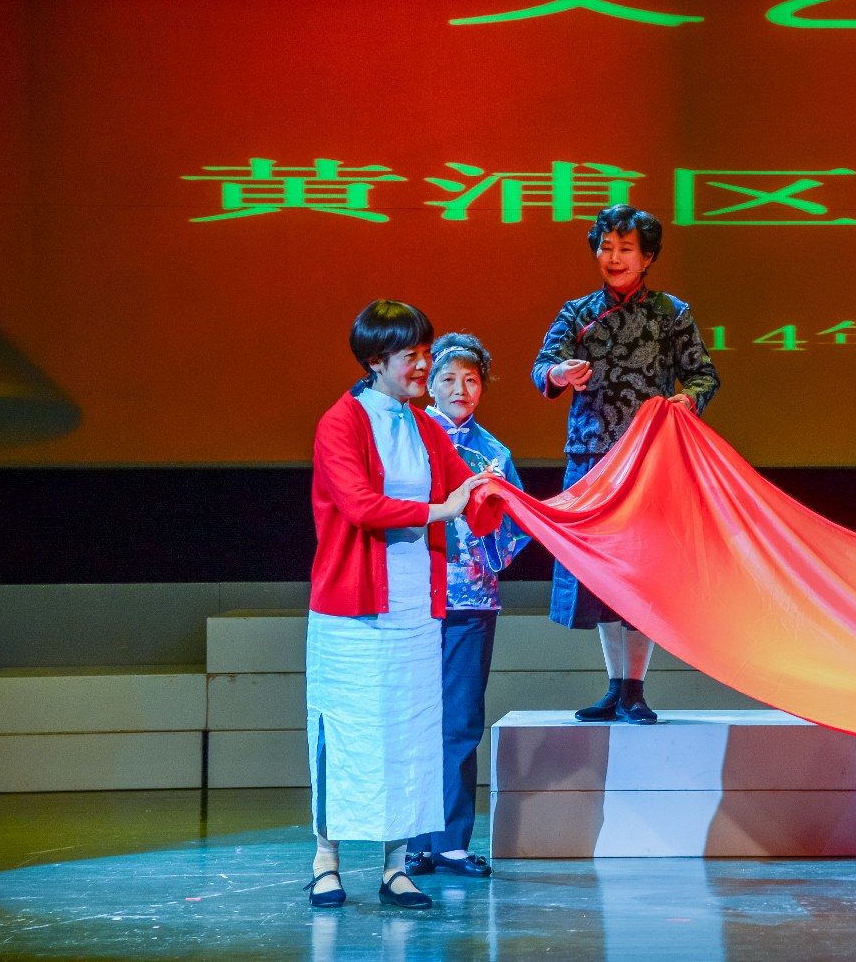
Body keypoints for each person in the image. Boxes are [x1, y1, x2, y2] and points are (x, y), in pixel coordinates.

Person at [305, 300, 488, 910]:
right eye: (412, 355)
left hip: (414, 609)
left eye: (425, 353)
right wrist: (440, 511)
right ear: (376, 360)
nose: (423, 366)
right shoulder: (342, 422)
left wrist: (514, 503)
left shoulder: (425, 426)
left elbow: (466, 489)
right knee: (346, 733)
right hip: (352, 610)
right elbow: (359, 505)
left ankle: (395, 866)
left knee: (410, 733)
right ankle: (326, 862)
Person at [533, 204, 720, 724]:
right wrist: (560, 374)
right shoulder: (577, 311)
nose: (614, 258)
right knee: (600, 575)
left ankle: (635, 687)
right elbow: (542, 366)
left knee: (643, 572)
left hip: (649, 460)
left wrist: (688, 399)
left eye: (626, 249)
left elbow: (704, 374)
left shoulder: (671, 313)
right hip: (591, 457)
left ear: (648, 257)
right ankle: (615, 686)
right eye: (606, 247)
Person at [406, 333, 532, 880]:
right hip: (412, 597)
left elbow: (515, 531)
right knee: (414, 719)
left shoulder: (493, 454)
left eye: (471, 379)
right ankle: (412, 844)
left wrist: (490, 514)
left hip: (471, 601)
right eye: (449, 379)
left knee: (460, 721)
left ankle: (452, 844)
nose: (461, 389)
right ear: (429, 385)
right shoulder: (407, 438)